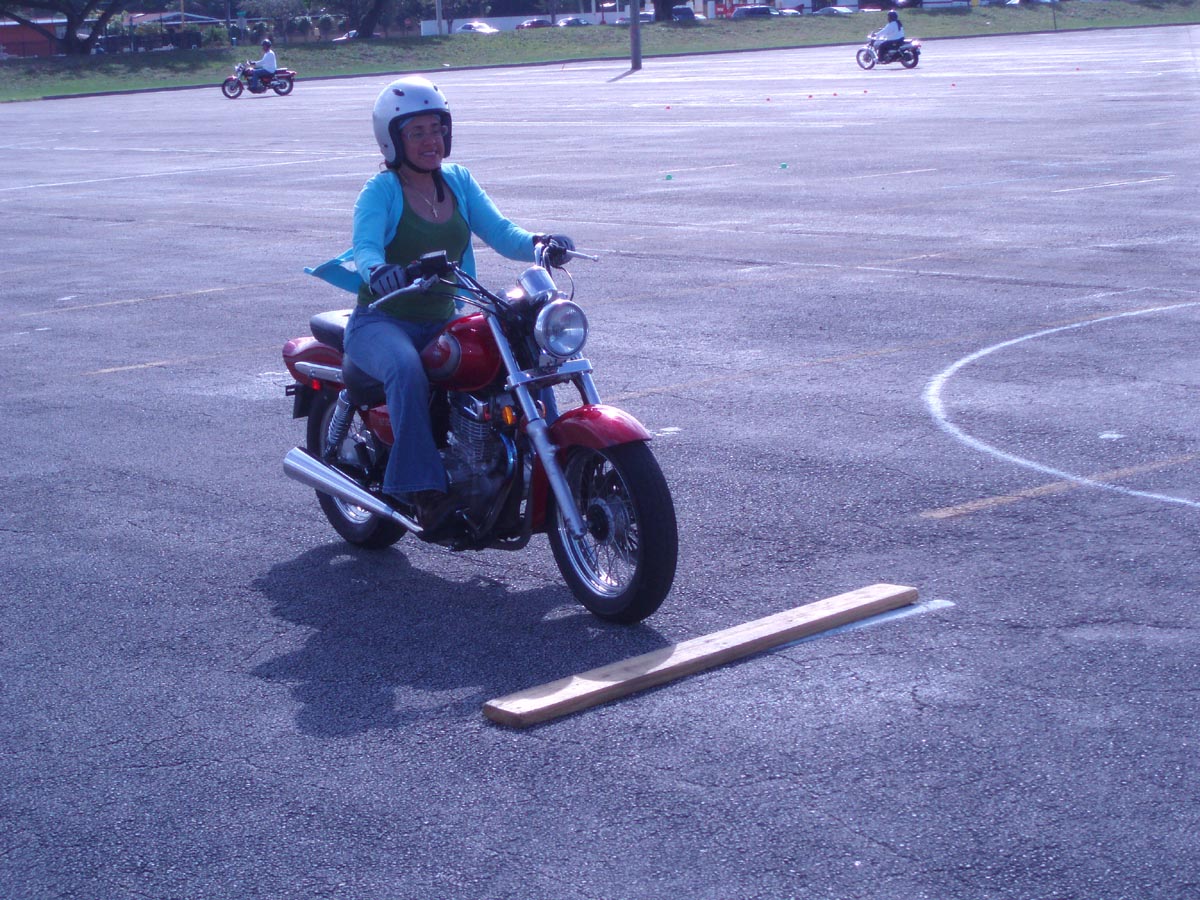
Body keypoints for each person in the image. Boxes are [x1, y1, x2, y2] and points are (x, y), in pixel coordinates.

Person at [308, 75, 574, 530]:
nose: (431, 140)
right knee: (405, 367)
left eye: (436, 129)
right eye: (417, 132)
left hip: (442, 316)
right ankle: (422, 490)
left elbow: (500, 231)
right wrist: (379, 271)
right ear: (393, 140)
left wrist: (539, 242)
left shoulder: (458, 181)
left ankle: (538, 460)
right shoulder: (381, 191)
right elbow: (365, 247)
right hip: (382, 320)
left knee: (520, 349)